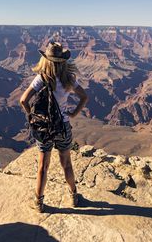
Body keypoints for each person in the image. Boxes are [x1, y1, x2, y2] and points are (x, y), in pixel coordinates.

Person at [20, 41, 88, 213]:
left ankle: (38, 203)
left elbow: (23, 100)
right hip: (63, 127)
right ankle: (74, 197)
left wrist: (32, 117)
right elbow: (84, 97)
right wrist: (73, 114)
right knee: (66, 164)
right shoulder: (69, 79)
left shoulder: (41, 78)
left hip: (43, 128)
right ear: (63, 61)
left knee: (43, 166)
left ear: (46, 60)